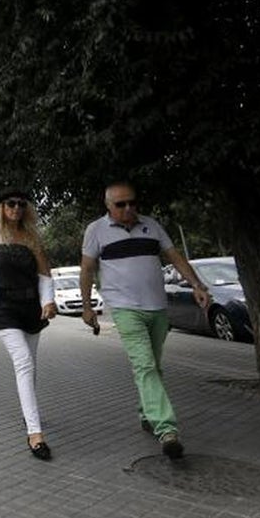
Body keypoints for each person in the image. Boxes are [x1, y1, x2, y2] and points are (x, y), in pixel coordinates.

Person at [80, 181, 211, 459]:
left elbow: (175, 257)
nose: (128, 209)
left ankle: (146, 412)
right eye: (120, 204)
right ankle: (166, 429)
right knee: (145, 365)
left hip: (157, 308)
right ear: (108, 206)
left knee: (153, 366)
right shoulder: (96, 231)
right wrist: (88, 307)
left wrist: (197, 286)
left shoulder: (151, 225)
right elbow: (87, 269)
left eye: (132, 203)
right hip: (125, 309)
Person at [0, 188, 58, 460]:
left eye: (21, 204)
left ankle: (28, 414)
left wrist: (48, 301)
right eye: (10, 203)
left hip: (30, 308)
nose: (16, 208)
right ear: (1, 207)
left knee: (30, 366)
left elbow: (45, 274)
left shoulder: (32, 236)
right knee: (23, 361)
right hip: (2, 308)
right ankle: (35, 433)